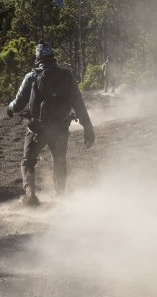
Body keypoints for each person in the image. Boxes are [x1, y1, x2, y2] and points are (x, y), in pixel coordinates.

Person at [7, 42, 95, 206]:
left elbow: (18, 103)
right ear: (52, 55)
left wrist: (10, 108)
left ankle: (30, 195)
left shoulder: (32, 76)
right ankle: (60, 196)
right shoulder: (66, 75)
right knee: (59, 160)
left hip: (37, 129)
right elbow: (78, 103)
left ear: (38, 56)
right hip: (60, 128)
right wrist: (87, 126)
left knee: (28, 161)